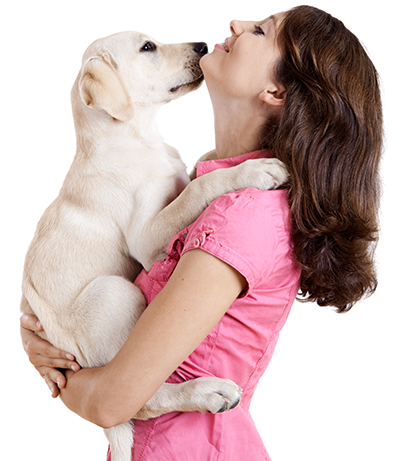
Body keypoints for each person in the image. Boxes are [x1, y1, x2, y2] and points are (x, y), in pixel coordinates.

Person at [20, 5, 382, 460]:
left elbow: (111, 403)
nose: (234, 24)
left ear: (276, 90)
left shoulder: (242, 215)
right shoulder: (211, 187)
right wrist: (44, 338)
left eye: (259, 31)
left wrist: (58, 373)